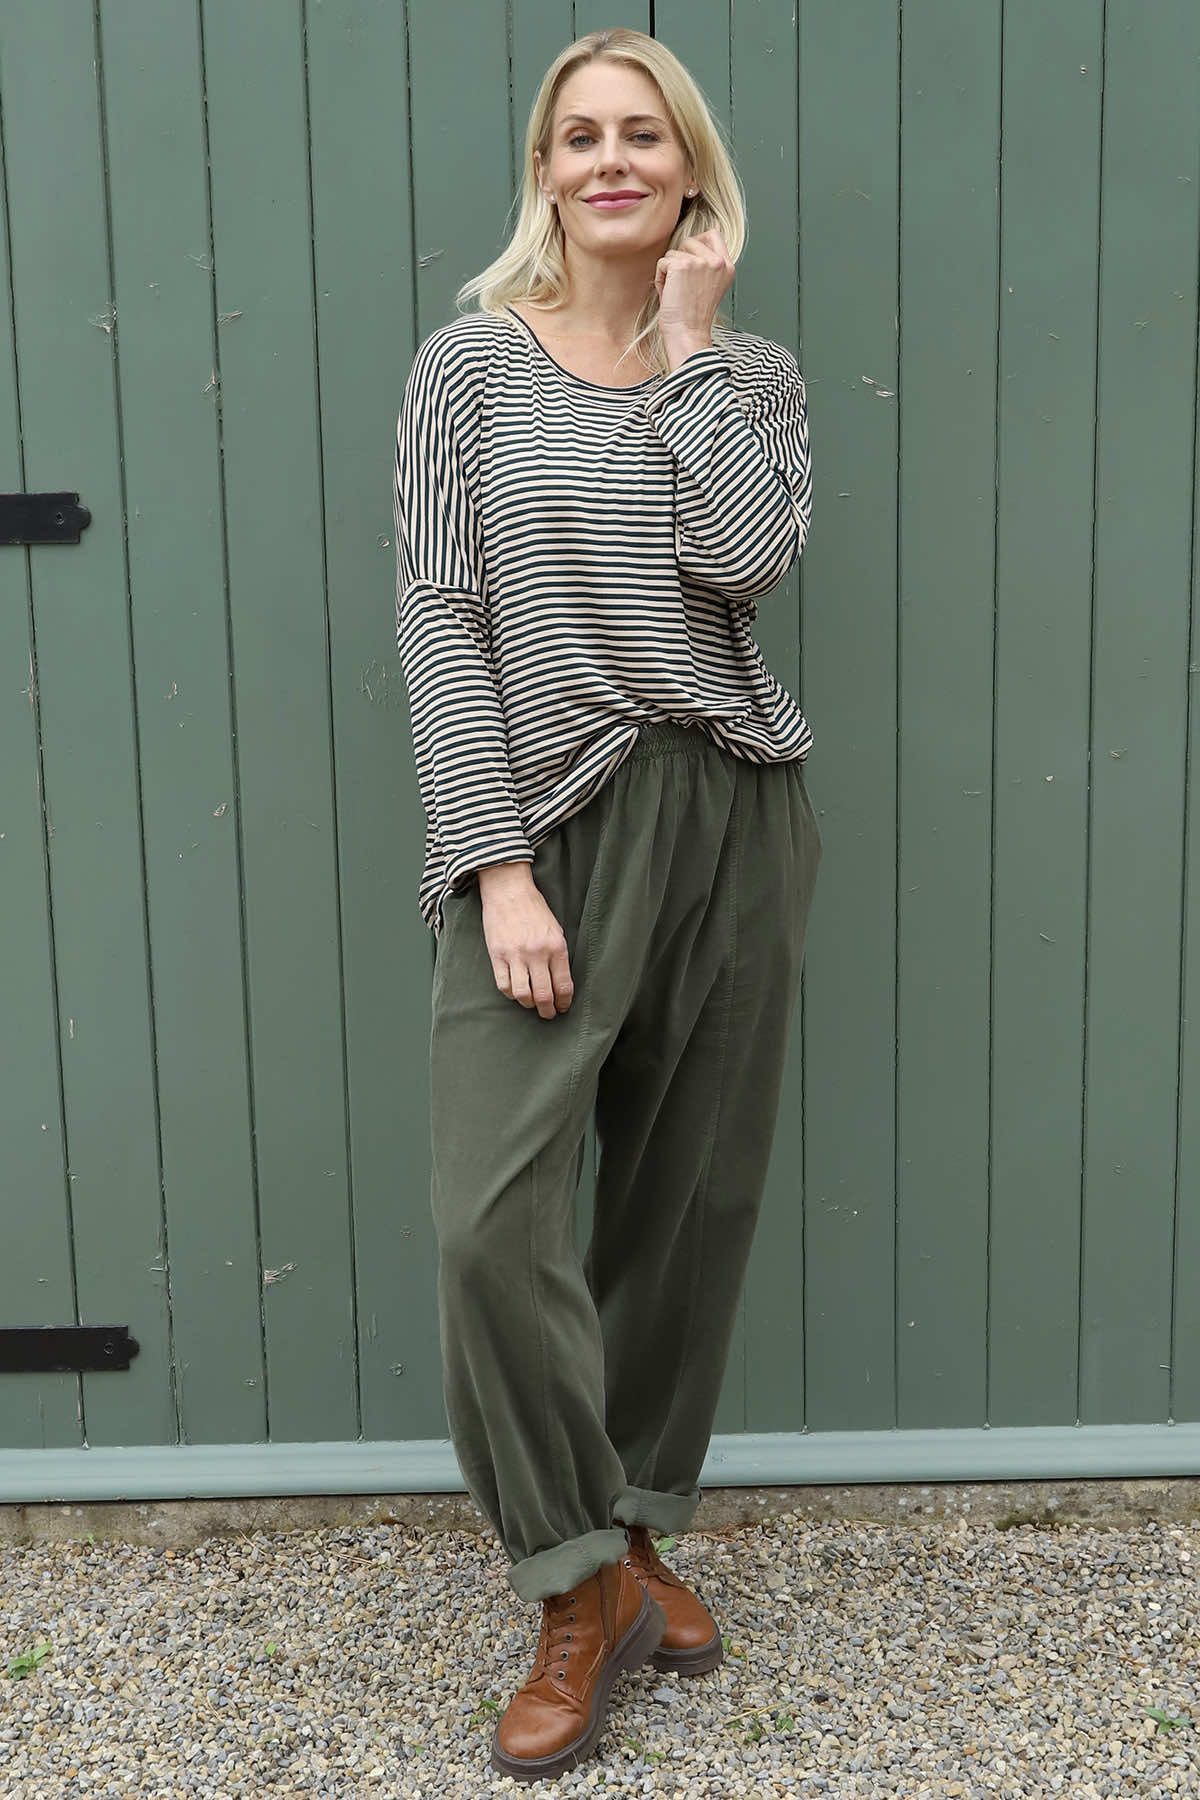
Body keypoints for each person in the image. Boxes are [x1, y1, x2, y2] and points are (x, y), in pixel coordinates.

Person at [392, 24, 822, 1785]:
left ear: (690, 168)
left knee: (686, 1201)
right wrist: (496, 865)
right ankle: (575, 1581)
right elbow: (441, 617)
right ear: (545, 170)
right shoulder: (466, 367)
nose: (613, 161)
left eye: (645, 134)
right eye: (581, 137)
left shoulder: (755, 375)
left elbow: (744, 560)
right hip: (546, 823)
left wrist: (696, 351)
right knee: (490, 1223)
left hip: (730, 809)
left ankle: (634, 1533)